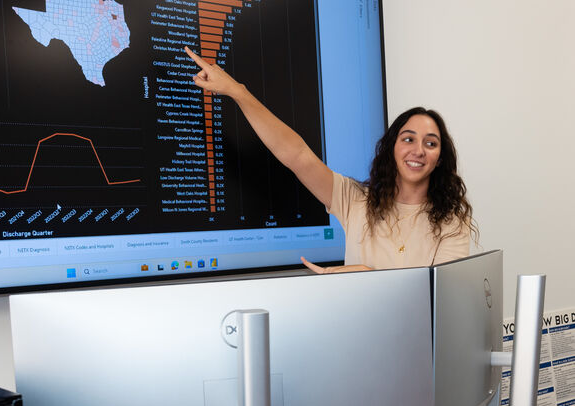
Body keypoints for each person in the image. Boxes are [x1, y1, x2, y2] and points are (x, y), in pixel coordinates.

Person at [184, 47, 475, 272]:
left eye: (431, 143)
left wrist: (364, 274)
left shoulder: (452, 223)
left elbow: (437, 301)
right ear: (392, 148)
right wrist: (237, 91)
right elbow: (296, 154)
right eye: (408, 139)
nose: (418, 150)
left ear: (440, 158)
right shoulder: (356, 201)